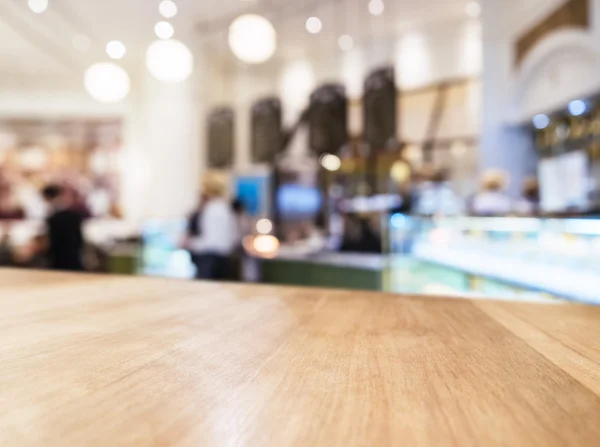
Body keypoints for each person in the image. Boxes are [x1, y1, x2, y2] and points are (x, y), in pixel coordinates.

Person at [188, 172, 238, 280]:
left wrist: (191, 243)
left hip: (210, 261)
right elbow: (234, 238)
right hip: (225, 260)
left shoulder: (210, 209)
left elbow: (211, 242)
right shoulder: (226, 208)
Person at [42, 184, 85, 271]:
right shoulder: (74, 214)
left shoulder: (53, 218)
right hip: (75, 259)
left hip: (60, 261)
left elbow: (51, 242)